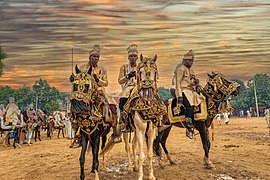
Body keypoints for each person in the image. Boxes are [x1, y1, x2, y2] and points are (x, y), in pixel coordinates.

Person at [71, 45, 119, 141]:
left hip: (99, 91)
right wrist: (72, 79)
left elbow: (106, 83)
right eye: (94, 57)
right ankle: (76, 129)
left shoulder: (102, 69)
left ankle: (113, 129)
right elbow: (77, 80)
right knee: (74, 104)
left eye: (97, 57)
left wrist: (98, 80)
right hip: (85, 93)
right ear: (90, 57)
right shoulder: (82, 67)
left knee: (111, 104)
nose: (95, 59)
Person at [173, 49, 202, 139]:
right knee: (189, 108)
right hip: (183, 91)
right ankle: (189, 128)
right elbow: (178, 83)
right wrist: (179, 96)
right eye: (190, 61)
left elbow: (191, 82)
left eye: (192, 61)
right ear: (185, 60)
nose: (191, 62)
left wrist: (195, 82)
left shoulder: (191, 70)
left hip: (191, 91)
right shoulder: (180, 69)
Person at [118, 44, 138, 132]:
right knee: (122, 98)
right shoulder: (124, 67)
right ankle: (124, 121)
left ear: (137, 57)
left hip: (139, 87)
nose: (133, 58)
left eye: (134, 56)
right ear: (128, 58)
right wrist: (128, 76)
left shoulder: (140, 66)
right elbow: (120, 81)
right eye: (131, 56)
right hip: (128, 87)